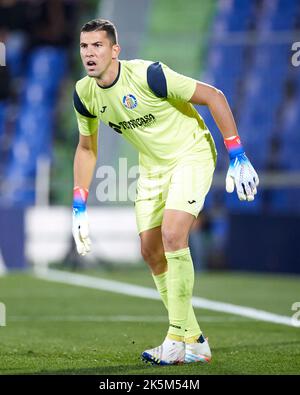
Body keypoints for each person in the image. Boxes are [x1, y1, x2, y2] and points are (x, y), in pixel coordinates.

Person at [72, 18, 259, 366]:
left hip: (192, 153)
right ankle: (195, 341)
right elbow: (86, 148)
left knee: (174, 234)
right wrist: (78, 205)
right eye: (84, 46)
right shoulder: (84, 94)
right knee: (150, 249)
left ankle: (174, 338)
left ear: (115, 50)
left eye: (97, 45)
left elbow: (213, 96)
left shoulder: (148, 75)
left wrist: (237, 153)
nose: (89, 53)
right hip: (153, 168)